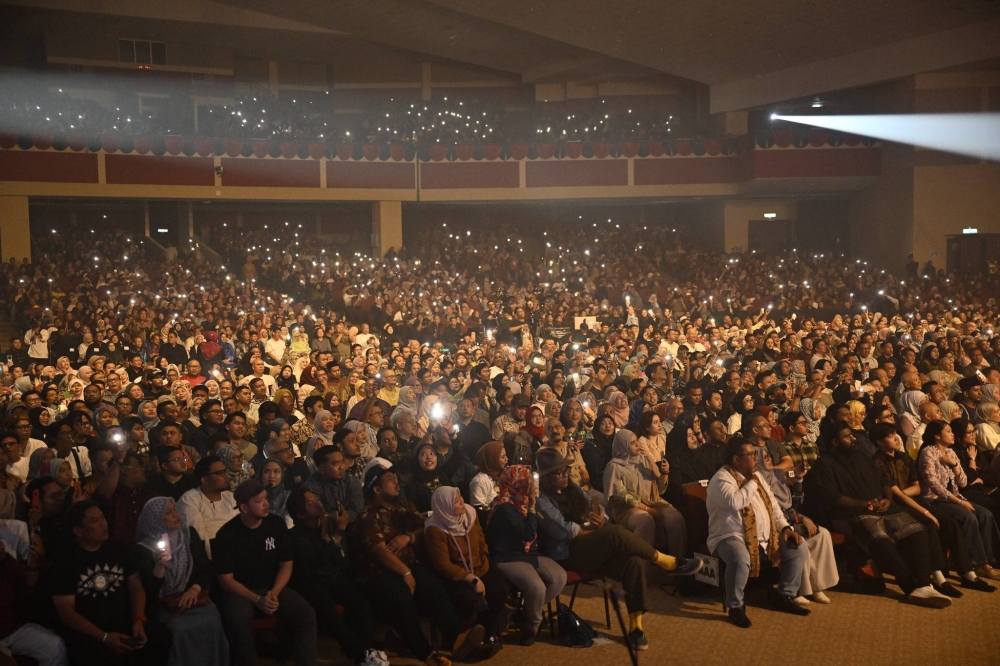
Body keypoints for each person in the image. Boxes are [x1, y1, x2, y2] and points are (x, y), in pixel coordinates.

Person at [534, 448, 701, 651]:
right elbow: (566, 531)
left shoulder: (572, 488)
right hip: (568, 555)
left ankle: (635, 627)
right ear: (546, 478)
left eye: (565, 470)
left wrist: (601, 519)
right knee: (614, 533)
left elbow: (597, 507)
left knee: (634, 562)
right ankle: (668, 562)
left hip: (590, 546)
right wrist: (593, 528)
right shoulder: (541, 500)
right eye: (558, 473)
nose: (564, 475)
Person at [803, 421, 953, 609]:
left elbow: (884, 480)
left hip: (882, 506)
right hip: (852, 513)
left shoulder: (860, 456)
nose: (853, 438)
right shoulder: (824, 465)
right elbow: (833, 498)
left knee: (918, 531)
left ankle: (923, 583)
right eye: (847, 436)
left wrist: (888, 499)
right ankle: (913, 586)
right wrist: (865, 504)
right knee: (881, 541)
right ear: (834, 441)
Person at [352, 463, 483, 666]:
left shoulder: (403, 506)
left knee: (433, 587)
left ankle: (455, 638)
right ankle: (427, 654)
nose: (396, 482)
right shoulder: (367, 516)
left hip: (410, 564)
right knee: (401, 597)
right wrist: (406, 573)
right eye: (389, 480)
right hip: (378, 572)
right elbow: (379, 552)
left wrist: (409, 537)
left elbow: (426, 526)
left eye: (395, 477)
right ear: (376, 489)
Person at [871, 422, 991, 594]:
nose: (897, 438)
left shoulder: (903, 457)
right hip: (898, 504)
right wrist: (924, 510)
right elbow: (894, 492)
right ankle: (939, 577)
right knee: (931, 524)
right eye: (890, 436)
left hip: (911, 499)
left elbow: (917, 487)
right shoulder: (877, 462)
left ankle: (967, 572)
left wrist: (954, 465)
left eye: (896, 433)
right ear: (879, 442)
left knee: (950, 523)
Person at [706, 438, 811, 627]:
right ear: (736, 460)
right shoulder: (721, 479)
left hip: (764, 536)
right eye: (751, 455)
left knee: (798, 547)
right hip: (729, 537)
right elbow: (735, 502)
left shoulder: (757, 476)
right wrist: (753, 483)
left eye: (756, 454)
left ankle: (784, 595)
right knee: (739, 557)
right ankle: (736, 607)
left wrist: (786, 528)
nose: (756, 458)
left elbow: (773, 505)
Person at [213, 480, 317, 666]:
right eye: (258, 500)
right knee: (237, 619)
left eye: (266, 498)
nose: (266, 503)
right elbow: (226, 580)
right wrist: (256, 599)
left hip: (272, 587)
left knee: (306, 614)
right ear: (244, 508)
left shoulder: (275, 524)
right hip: (241, 591)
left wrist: (274, 592)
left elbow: (286, 564)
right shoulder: (227, 534)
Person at [50, 501, 163, 665]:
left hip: (125, 622)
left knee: (159, 637)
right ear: (78, 531)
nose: (104, 524)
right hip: (90, 632)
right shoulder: (66, 561)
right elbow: (66, 612)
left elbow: (135, 586)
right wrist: (103, 637)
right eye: (95, 521)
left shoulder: (118, 548)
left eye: (103, 518)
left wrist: (138, 620)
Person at [287, 487, 387, 666]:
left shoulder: (331, 523)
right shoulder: (296, 536)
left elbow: (342, 561)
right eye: (310, 503)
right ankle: (363, 655)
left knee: (360, 602)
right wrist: (337, 536)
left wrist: (333, 538)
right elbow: (317, 563)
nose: (317, 502)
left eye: (316, 497)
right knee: (329, 613)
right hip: (310, 582)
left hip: (333, 575)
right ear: (301, 515)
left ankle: (368, 652)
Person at [134, 497, 229, 666]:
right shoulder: (144, 548)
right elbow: (149, 591)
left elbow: (204, 567)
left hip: (193, 596)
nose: (176, 515)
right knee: (179, 629)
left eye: (175, 510)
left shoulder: (188, 534)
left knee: (212, 619)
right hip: (166, 603)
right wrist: (159, 567)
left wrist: (194, 589)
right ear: (155, 519)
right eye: (168, 513)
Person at [485, 465, 566, 646]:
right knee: (537, 588)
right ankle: (532, 625)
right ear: (513, 484)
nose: (530, 486)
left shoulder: (522, 502)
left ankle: (524, 612)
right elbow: (528, 533)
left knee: (559, 577)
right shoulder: (506, 507)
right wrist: (532, 507)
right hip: (507, 556)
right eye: (525, 482)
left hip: (527, 553)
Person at [424, 486, 507, 659]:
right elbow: (442, 565)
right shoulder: (435, 529)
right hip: (457, 574)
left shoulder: (470, 514)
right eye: (455, 501)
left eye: (460, 496)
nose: (461, 501)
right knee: (466, 598)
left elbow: (480, 537)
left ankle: (489, 633)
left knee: (499, 588)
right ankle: (466, 639)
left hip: (480, 566)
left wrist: (484, 556)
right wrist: (472, 579)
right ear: (443, 506)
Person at [917, 420, 1000, 581]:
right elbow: (933, 484)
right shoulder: (928, 452)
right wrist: (959, 502)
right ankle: (977, 562)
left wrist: (954, 464)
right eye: (948, 431)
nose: (952, 434)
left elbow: (962, 482)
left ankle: (991, 559)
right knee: (968, 516)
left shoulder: (951, 453)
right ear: (936, 435)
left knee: (985, 514)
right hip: (934, 500)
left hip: (954, 497)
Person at [603, 429, 688, 557]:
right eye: (632, 443)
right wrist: (647, 509)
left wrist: (664, 473)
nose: (637, 444)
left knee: (676, 519)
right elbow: (620, 496)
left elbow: (660, 490)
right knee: (645, 521)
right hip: (628, 509)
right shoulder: (614, 467)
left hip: (652, 500)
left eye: (637, 440)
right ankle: (642, 564)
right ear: (623, 446)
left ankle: (678, 560)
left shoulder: (645, 460)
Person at [0, 533, 68, 666]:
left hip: (12, 628)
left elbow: (27, 591)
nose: (2, 546)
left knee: (55, 648)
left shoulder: (6, 562)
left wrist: (33, 563)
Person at [176, 456, 238, 559]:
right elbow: (198, 538)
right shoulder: (189, 499)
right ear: (204, 480)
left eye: (225, 471)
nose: (227, 476)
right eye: (220, 473)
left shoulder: (230, 497)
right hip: (211, 559)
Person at [302, 446, 365, 520]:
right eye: (336, 464)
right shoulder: (310, 488)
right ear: (322, 469)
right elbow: (319, 516)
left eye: (342, 461)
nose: (342, 467)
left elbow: (358, 510)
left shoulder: (351, 481)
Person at [469, 441, 505, 510]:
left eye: (505, 455)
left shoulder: (502, 474)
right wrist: (494, 505)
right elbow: (478, 509)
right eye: (503, 457)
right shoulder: (480, 481)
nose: (507, 459)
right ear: (492, 459)